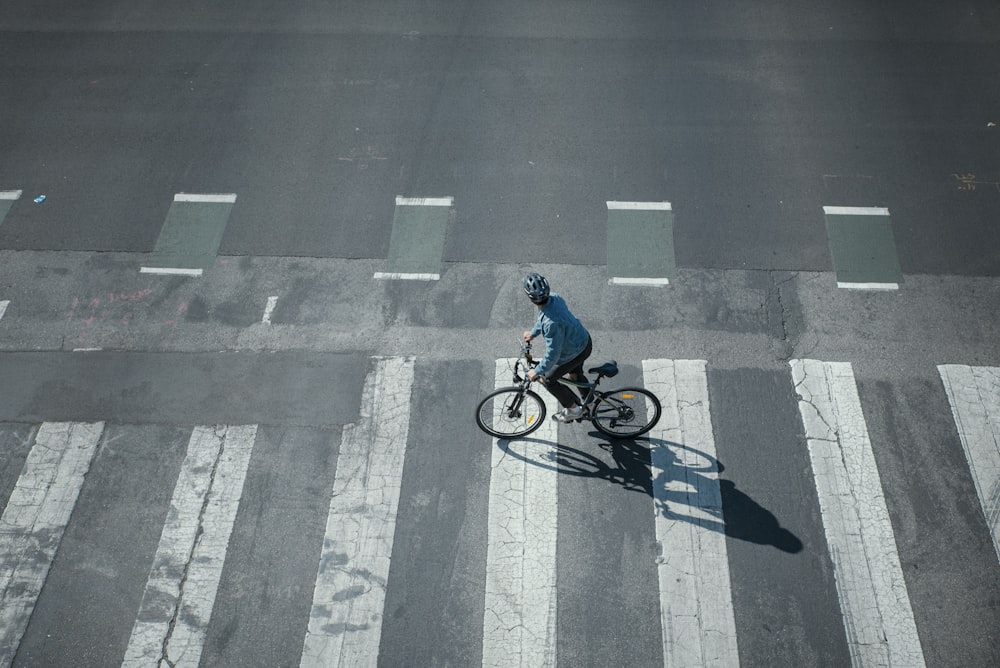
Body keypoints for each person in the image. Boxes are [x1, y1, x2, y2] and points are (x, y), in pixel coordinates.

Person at [521, 272, 593, 423]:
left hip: (574, 351)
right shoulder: (555, 298)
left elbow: (553, 355)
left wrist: (537, 371)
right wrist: (533, 333)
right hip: (582, 341)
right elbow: (546, 317)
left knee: (547, 379)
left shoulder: (551, 325)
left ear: (530, 298)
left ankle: (574, 410)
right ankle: (589, 399)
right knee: (574, 374)